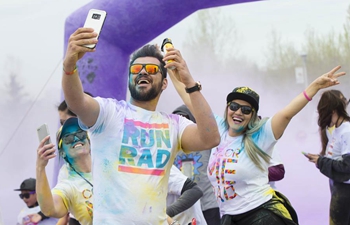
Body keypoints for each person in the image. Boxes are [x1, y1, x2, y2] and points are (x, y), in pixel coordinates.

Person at [60, 27, 220, 224]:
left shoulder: (174, 124)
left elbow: (211, 137)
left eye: (152, 70)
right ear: (129, 79)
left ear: (164, 83)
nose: (143, 71)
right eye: (136, 69)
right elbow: (76, 102)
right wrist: (69, 66)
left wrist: (188, 82)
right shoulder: (109, 113)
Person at [169, 66, 346, 224]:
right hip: (230, 217)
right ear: (227, 107)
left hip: (261, 216)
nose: (238, 112)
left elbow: (286, 113)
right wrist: (172, 72)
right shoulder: (218, 129)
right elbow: (191, 99)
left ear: (253, 115)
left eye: (246, 110)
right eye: (234, 106)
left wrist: (314, 86)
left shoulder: (261, 135)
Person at [305, 89, 350, 225]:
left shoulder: (347, 131)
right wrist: (320, 159)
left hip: (346, 191)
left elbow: (347, 167)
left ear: (332, 111)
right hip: (338, 187)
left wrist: (321, 161)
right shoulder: (336, 130)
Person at [36, 117, 93, 225]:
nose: (76, 138)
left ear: (89, 141)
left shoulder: (108, 164)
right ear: (62, 152)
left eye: (80, 133)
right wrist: (40, 168)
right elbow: (49, 209)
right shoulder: (68, 185)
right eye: (68, 138)